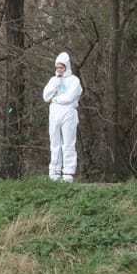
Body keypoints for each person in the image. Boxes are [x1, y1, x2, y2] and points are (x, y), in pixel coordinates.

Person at [41, 52, 82, 182]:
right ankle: (54, 172)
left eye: (62, 67)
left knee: (68, 143)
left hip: (68, 113)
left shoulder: (74, 81)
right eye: (58, 67)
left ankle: (68, 172)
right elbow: (46, 96)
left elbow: (70, 97)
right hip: (54, 114)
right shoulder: (53, 80)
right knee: (55, 144)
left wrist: (56, 99)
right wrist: (55, 86)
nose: (60, 70)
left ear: (67, 67)